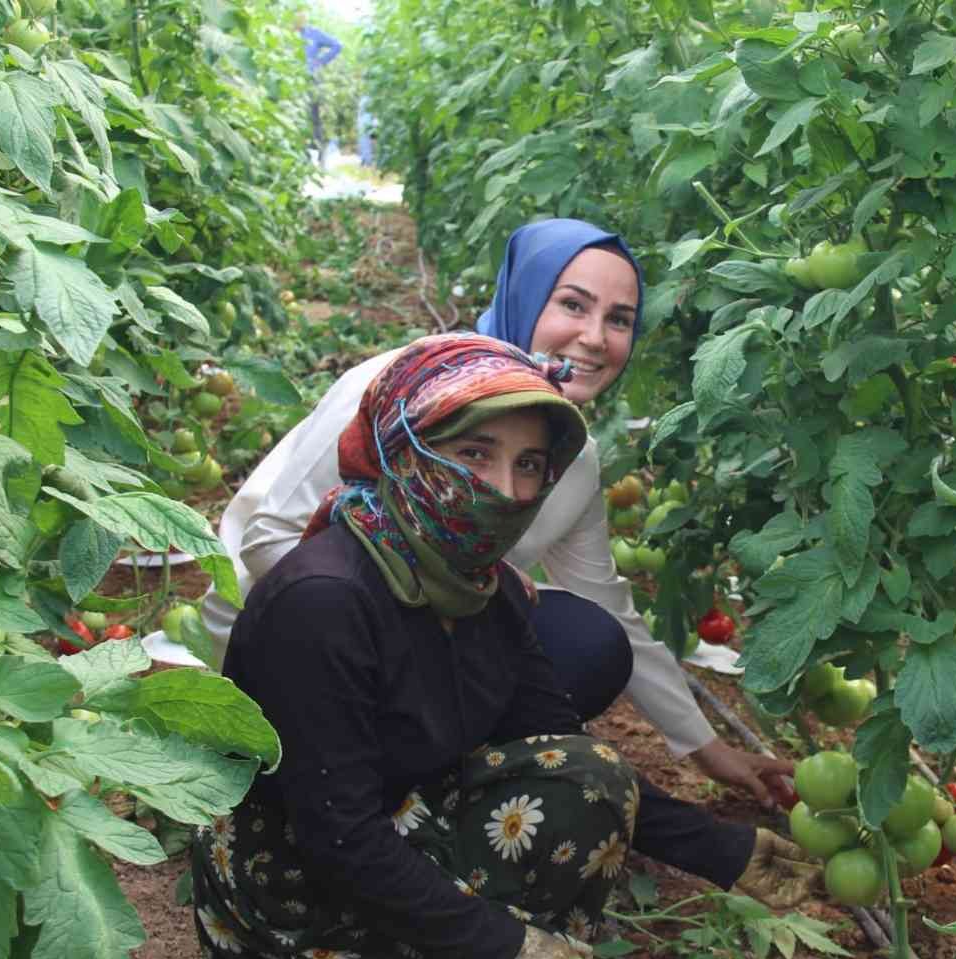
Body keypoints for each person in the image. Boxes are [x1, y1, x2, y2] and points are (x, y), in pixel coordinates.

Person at [192, 334, 817, 959]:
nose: (508, 491)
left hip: (397, 826)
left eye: (529, 466)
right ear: (402, 448)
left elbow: (554, 735)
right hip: (297, 898)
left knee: (594, 779)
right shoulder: (324, 603)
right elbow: (338, 839)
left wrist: (722, 847)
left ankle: (447, 946)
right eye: (475, 455)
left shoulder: (478, 586)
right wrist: (507, 948)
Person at [200, 220, 793, 808]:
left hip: (418, 639)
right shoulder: (410, 388)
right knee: (497, 633)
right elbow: (269, 540)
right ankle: (348, 791)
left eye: (619, 319)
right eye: (572, 305)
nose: (594, 337)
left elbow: (606, 602)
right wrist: (418, 636)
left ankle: (432, 784)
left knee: (588, 643)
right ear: (524, 296)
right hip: (292, 638)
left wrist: (708, 750)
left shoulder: (570, 456)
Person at [294, 16, 341, 160]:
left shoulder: (313, 33)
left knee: (313, 116)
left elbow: (337, 45)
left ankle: (319, 155)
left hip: (310, 80)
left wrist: (319, 62)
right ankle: (300, 155)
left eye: (303, 16)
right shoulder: (285, 32)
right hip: (292, 80)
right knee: (295, 116)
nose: (300, 19)